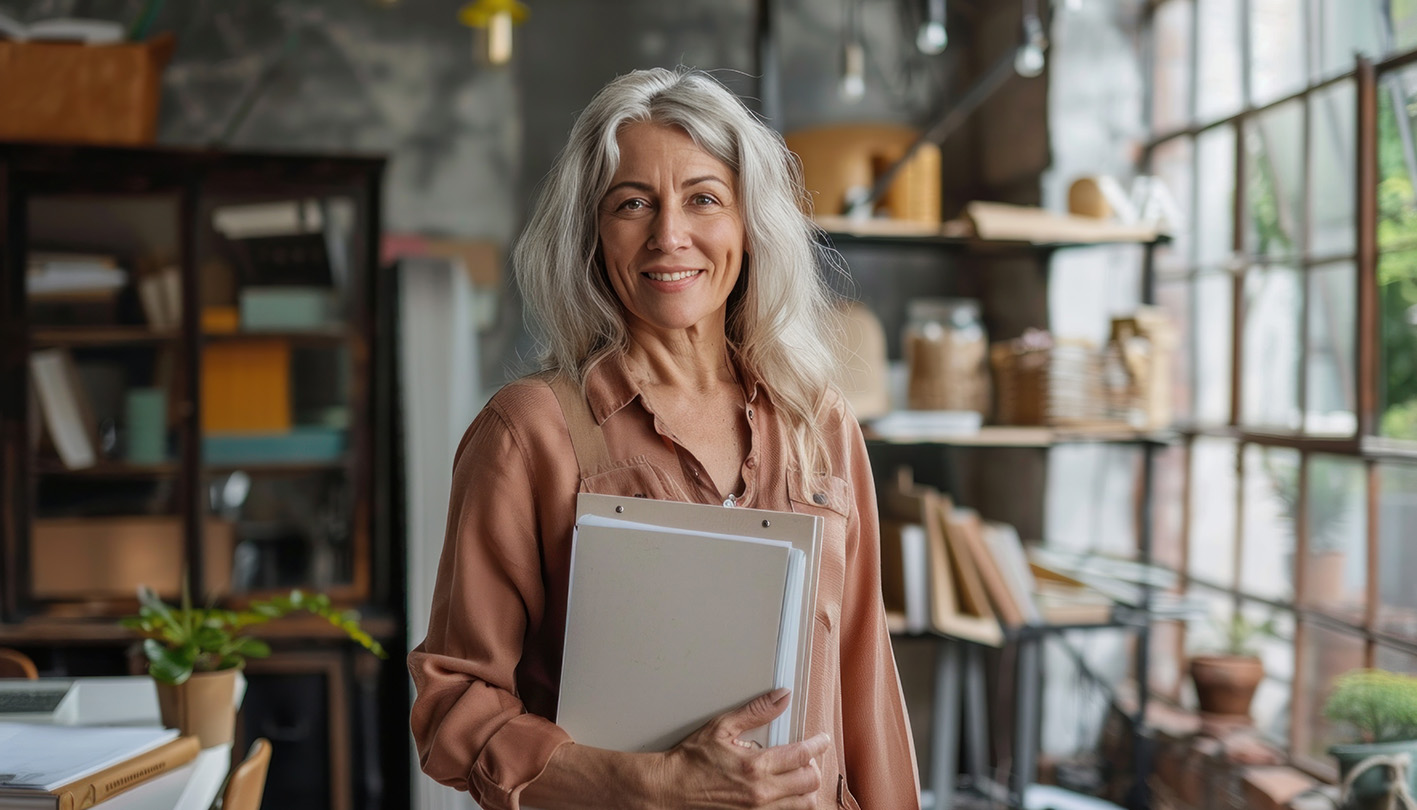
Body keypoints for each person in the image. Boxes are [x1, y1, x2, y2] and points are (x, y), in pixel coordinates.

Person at [409, 66, 919, 810]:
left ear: (748, 223)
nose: (668, 236)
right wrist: (651, 785)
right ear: (591, 232)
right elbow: (454, 708)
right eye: (632, 203)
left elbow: (865, 678)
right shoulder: (526, 434)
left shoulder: (819, 423)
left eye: (703, 198)